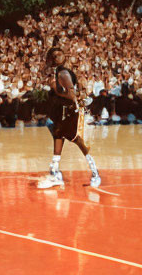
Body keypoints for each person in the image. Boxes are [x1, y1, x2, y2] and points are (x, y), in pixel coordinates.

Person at [37, 47, 101, 189]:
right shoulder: (59, 73)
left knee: (77, 141)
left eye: (59, 54)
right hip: (62, 112)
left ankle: (95, 172)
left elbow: (72, 95)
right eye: (54, 56)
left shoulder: (63, 73)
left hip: (69, 113)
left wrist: (56, 91)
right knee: (57, 137)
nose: (57, 57)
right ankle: (55, 173)